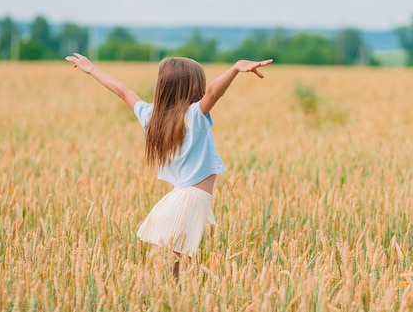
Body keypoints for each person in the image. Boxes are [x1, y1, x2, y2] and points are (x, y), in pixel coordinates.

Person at [66, 53, 273, 270]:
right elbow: (213, 92)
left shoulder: (150, 115)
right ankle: (144, 301)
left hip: (181, 199)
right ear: (193, 87)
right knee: (162, 270)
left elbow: (122, 91)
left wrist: (91, 69)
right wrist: (235, 68)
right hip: (188, 201)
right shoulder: (194, 116)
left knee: (178, 270)